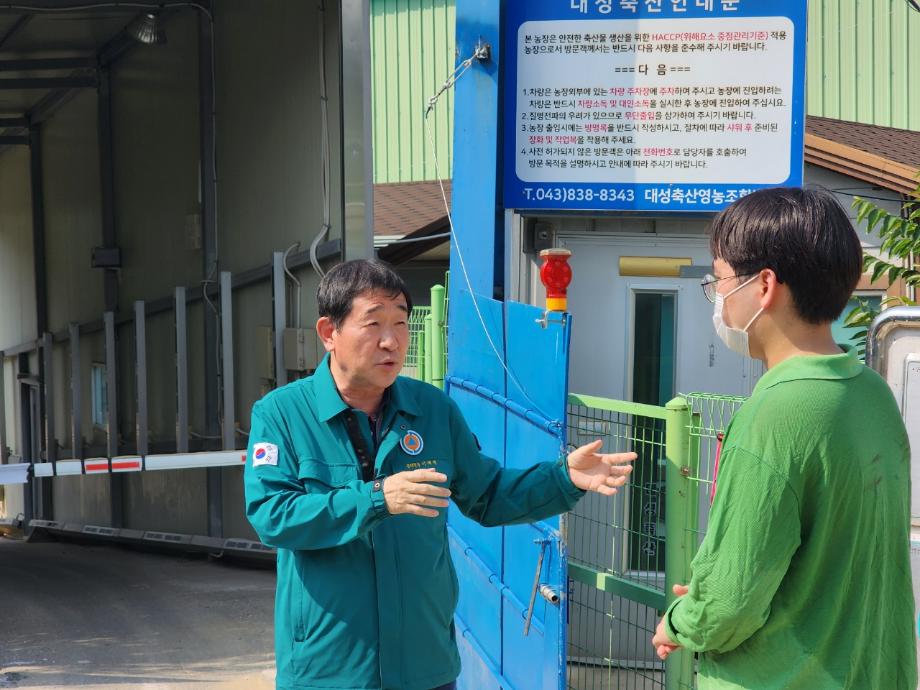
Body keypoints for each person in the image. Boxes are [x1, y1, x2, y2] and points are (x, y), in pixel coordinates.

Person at [244, 259, 635, 690]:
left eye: (400, 323)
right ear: (328, 333)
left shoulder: (432, 409)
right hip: (329, 668)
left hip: (424, 665)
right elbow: (272, 515)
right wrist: (378, 498)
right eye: (373, 325)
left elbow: (487, 494)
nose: (391, 341)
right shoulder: (282, 414)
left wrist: (563, 479)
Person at [651, 187, 917, 688]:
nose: (719, 298)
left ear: (764, 285)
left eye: (721, 280)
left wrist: (682, 620)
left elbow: (730, 603)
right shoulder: (872, 395)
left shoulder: (774, 414)